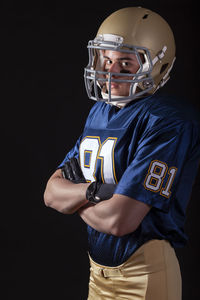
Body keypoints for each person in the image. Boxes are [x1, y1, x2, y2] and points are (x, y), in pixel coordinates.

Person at [44, 7, 200, 300]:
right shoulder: (100, 111)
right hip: (97, 274)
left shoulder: (167, 120)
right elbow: (51, 193)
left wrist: (75, 197)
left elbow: (119, 221)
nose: (109, 71)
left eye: (126, 63)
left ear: (158, 66)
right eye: (106, 59)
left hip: (144, 277)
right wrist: (94, 192)